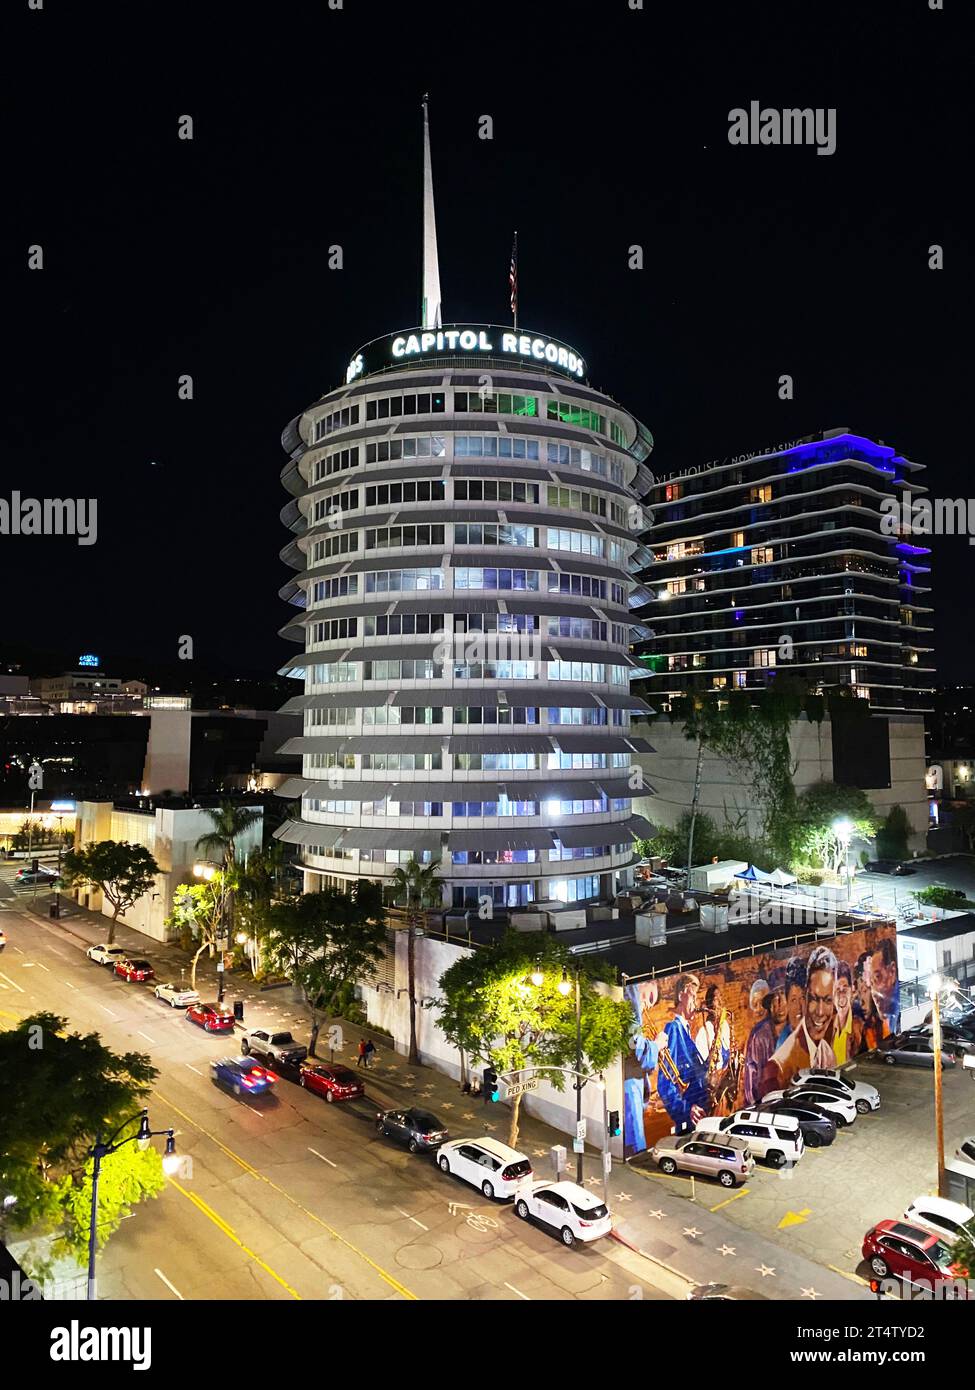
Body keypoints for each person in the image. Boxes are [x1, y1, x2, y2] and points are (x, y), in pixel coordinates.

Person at [760, 945, 838, 1093]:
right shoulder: (778, 1067)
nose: (820, 1011)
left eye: (828, 1000)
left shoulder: (826, 1053)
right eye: (814, 999)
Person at [656, 973, 710, 1133]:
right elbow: (665, 1083)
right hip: (690, 1123)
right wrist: (685, 1110)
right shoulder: (673, 1028)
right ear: (681, 995)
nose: (696, 1003)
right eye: (693, 996)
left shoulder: (686, 1031)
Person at [743, 966, 786, 1106]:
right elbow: (751, 1084)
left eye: (783, 996)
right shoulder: (759, 1036)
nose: (779, 1005)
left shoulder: (796, 1027)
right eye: (775, 999)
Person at [831, 959, 855, 1064]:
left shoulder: (858, 1028)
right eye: (837, 990)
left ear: (852, 991)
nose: (841, 995)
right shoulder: (828, 1028)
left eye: (845, 990)